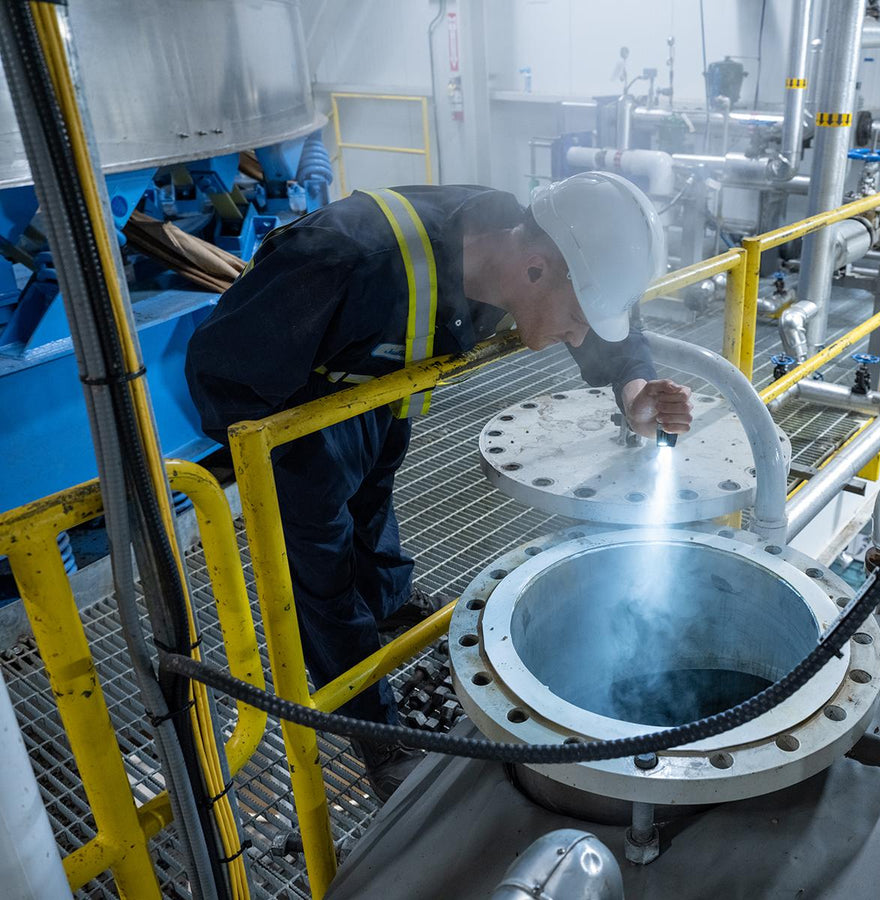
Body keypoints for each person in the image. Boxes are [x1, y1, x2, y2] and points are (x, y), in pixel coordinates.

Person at [185, 172, 694, 799]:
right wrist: (298, 451)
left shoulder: (523, 244)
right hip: (302, 409)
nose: (577, 336)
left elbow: (606, 322)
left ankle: (389, 607)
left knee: (372, 501)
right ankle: (374, 730)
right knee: (324, 569)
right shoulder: (346, 258)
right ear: (535, 269)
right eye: (574, 320)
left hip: (376, 389)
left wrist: (636, 392)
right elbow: (220, 373)